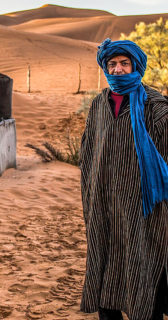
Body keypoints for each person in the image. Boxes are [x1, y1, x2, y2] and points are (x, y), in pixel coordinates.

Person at [80, 38, 168, 320]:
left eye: (124, 63)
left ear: (136, 66)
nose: (117, 69)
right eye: (112, 64)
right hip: (103, 207)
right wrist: (90, 197)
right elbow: (88, 153)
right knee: (106, 267)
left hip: (143, 210)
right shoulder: (98, 105)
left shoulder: (156, 107)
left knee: (144, 267)